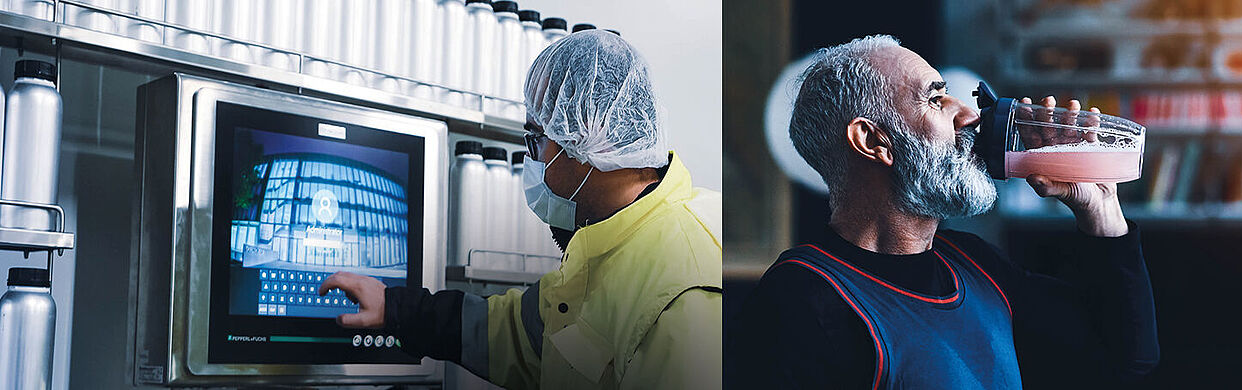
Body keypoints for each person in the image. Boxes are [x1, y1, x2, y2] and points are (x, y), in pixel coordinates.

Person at [732, 35, 1159, 389]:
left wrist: (1100, 208)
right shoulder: (801, 302)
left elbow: (1121, 360)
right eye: (935, 99)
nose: (970, 115)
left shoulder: (974, 264)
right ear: (872, 140)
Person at [321, 30, 722, 389]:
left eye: (536, 139)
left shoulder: (682, 297)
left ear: (586, 139)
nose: (531, 160)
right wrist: (396, 309)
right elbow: (519, 334)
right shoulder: (609, 243)